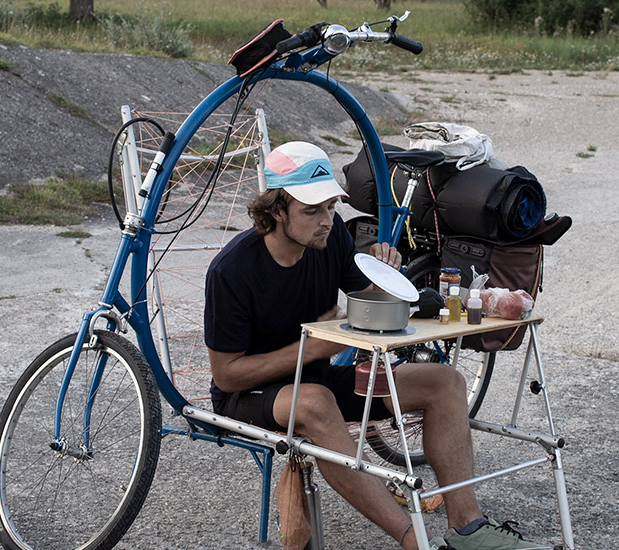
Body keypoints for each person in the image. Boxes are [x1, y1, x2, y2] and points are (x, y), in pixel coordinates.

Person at [204, 141, 538, 550]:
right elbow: (226, 374)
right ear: (275, 211)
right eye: (312, 211)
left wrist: (387, 276)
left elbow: (370, 303)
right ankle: (412, 538)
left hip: (320, 378)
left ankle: (468, 528)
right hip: (251, 395)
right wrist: (308, 351)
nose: (327, 220)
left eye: (331, 206)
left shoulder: (329, 241)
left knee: (444, 382)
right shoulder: (232, 270)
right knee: (314, 401)